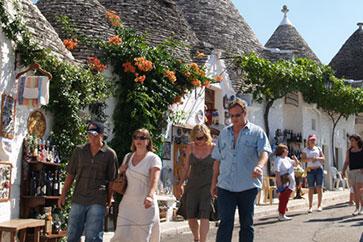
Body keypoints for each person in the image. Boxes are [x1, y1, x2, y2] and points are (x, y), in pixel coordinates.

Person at [210, 99, 271, 242]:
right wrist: (214, 183)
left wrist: (259, 166)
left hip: (247, 186)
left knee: (246, 224)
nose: (234, 119)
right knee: (225, 223)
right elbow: (217, 160)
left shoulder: (257, 132)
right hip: (226, 185)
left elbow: (265, 152)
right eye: (231, 116)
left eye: (237, 115)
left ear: (245, 113)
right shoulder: (224, 133)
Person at [58, 121, 118, 242]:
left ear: (102, 135)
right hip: (78, 198)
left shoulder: (110, 154)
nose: (92, 138)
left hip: (97, 199)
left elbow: (112, 180)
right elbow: (71, 173)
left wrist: (108, 201)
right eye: (89, 135)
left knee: (93, 236)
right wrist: (63, 194)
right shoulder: (79, 151)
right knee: (73, 234)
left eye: (95, 135)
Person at [111, 128, 161, 242]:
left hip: (145, 203)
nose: (139, 140)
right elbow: (119, 177)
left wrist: (150, 195)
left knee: (141, 237)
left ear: (148, 141)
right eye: (136, 137)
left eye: (142, 137)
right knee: (120, 235)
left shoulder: (153, 158)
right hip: (128, 203)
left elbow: (154, 179)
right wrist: (120, 170)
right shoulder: (128, 157)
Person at [177, 124, 215, 242]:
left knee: (205, 215)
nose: (199, 141)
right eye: (197, 138)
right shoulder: (191, 147)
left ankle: (203, 240)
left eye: (202, 138)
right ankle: (196, 238)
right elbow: (186, 167)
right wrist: (180, 184)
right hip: (192, 185)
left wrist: (217, 185)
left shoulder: (213, 148)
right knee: (191, 216)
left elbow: (218, 168)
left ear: (206, 136)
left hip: (208, 185)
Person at [301, 134, 325, 213]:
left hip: (318, 169)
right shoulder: (305, 150)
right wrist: (311, 159)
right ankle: (310, 206)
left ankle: (319, 205)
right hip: (310, 170)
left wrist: (317, 158)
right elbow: (303, 160)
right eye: (311, 140)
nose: (312, 141)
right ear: (308, 141)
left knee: (319, 187)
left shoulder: (318, 148)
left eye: (314, 140)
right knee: (311, 188)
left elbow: (323, 158)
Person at [273, 144, 298, 221]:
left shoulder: (287, 159)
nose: (287, 151)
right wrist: (279, 181)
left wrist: (295, 159)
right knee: (283, 197)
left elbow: (295, 164)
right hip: (284, 181)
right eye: (286, 150)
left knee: (286, 197)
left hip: (290, 181)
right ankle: (281, 214)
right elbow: (277, 171)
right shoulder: (278, 159)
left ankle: (283, 213)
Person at [342, 134, 363, 216]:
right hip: (352, 171)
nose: (351, 142)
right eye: (350, 141)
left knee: (359, 188)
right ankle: (357, 207)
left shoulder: (362, 149)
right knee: (354, 190)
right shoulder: (349, 151)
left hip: (360, 171)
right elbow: (347, 161)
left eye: (353, 140)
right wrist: (343, 170)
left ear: (357, 141)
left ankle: (362, 206)